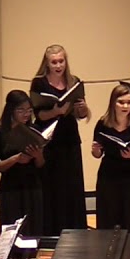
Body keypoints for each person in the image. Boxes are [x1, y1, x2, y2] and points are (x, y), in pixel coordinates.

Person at [30, 44, 89, 234]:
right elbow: (38, 115)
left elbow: (81, 115)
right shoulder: (39, 83)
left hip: (69, 138)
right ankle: (51, 231)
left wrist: (82, 109)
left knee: (71, 187)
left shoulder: (74, 82)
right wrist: (56, 111)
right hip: (49, 140)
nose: (58, 65)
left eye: (61, 61)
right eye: (54, 62)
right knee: (51, 187)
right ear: (47, 63)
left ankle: (74, 229)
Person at [92, 84, 130, 231]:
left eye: (129, 102)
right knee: (108, 218)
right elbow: (98, 154)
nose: (125, 106)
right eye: (121, 102)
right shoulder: (103, 123)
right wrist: (95, 150)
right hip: (109, 175)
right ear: (113, 103)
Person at [0, 90, 46, 236]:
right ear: (11, 110)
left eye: (29, 110)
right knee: (11, 230)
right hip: (10, 188)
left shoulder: (34, 130)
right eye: (21, 110)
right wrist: (15, 159)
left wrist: (38, 156)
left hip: (32, 186)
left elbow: (41, 164)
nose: (26, 114)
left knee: (33, 228)